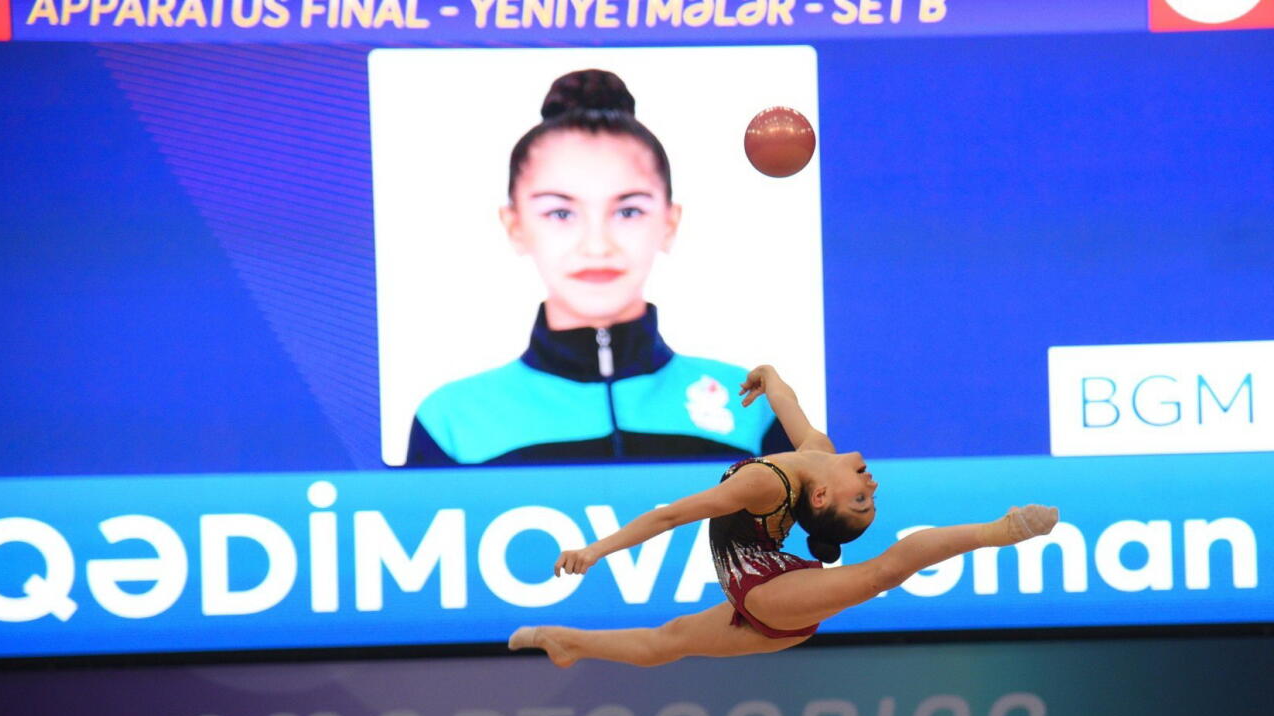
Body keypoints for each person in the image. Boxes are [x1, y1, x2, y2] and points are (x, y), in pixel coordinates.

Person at [508, 364, 1059, 667]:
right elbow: (790, 405)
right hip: (770, 605)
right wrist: (768, 377)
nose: (872, 484)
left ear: (820, 501)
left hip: (767, 593)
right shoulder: (817, 453)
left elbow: (671, 516)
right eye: (869, 495)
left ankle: (1001, 530)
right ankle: (568, 640)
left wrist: (595, 550)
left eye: (862, 499)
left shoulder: (763, 486)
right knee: (667, 640)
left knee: (881, 574)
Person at [405, 68, 791, 467]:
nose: (596, 245)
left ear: (669, 224)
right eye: (559, 212)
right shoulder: (452, 421)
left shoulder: (751, 408)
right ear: (516, 226)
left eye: (628, 210)